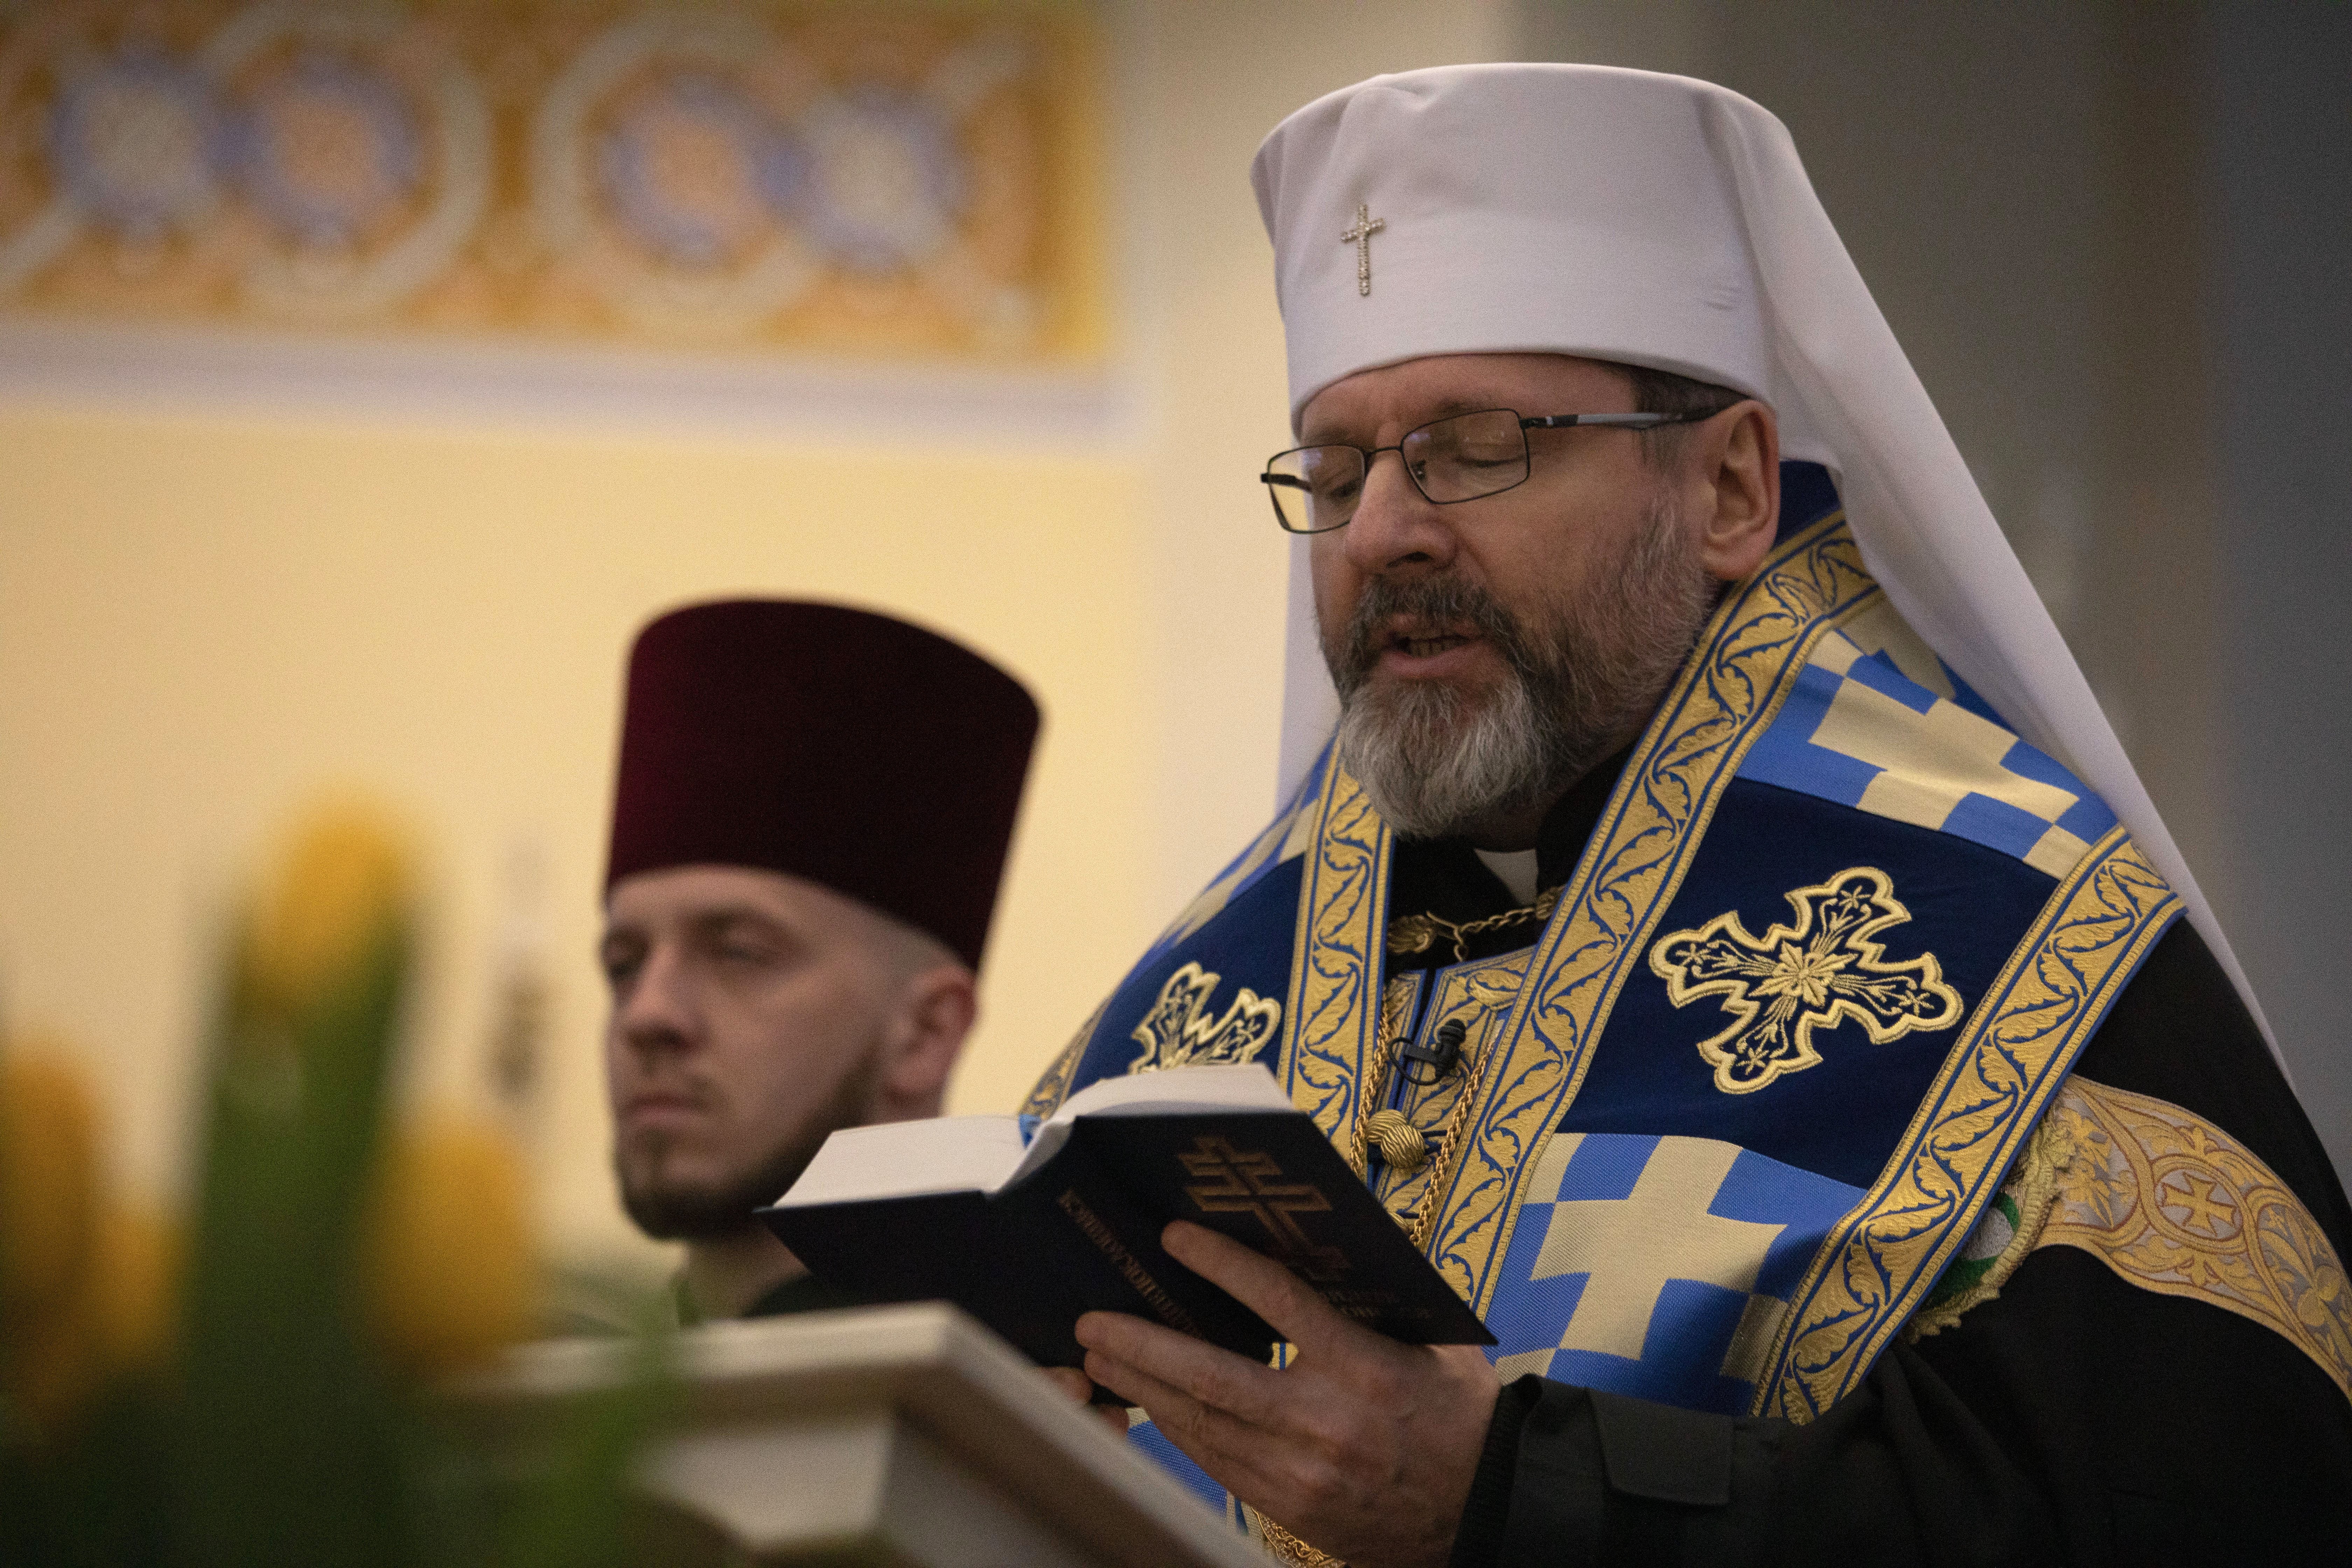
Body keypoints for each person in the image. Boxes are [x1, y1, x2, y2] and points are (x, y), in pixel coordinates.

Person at [1023, 65, 2352, 1564]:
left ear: (1727, 486)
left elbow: (2207, 1509)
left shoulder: (2022, 937)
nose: (1384, 530)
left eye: (1473, 446)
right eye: (1337, 471)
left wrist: (1511, 1501)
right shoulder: (1205, 1001)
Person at [600, 598, 1037, 1322]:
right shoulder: (548, 1421)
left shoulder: (1038, 1415)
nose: (647, 1012)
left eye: (739, 950)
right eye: (624, 962)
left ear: (926, 1032)